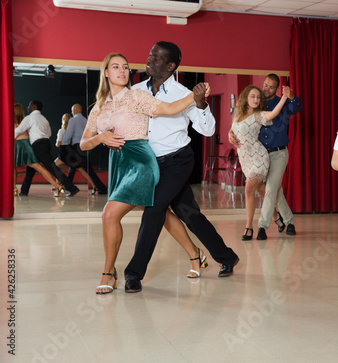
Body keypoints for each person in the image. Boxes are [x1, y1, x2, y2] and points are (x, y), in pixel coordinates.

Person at [123, 41, 239, 293]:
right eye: (150, 53)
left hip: (177, 161)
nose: (149, 58)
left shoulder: (182, 93)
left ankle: (133, 273)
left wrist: (199, 103)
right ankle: (227, 256)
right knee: (189, 214)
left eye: (156, 56)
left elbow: (207, 130)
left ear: (171, 65)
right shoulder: (137, 90)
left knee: (153, 211)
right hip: (150, 163)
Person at [79, 52, 197, 294]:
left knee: (109, 215)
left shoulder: (136, 97)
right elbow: (83, 143)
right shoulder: (99, 107)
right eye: (116, 67)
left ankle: (108, 272)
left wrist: (193, 97)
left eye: (125, 67)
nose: (122, 71)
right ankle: (195, 254)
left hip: (140, 162)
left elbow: (170, 108)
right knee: (159, 212)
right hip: (118, 165)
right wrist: (101, 137)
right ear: (106, 72)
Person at [229, 74, 303, 240]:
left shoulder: (281, 104)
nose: (266, 89)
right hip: (256, 155)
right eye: (265, 85)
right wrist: (230, 133)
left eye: (271, 87)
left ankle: (261, 227)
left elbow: (296, 107)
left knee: (269, 189)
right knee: (275, 191)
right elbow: (239, 124)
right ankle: (287, 221)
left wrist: (289, 96)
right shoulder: (256, 103)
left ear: (276, 89)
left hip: (277, 153)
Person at [14, 100, 80, 197]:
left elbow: (18, 131)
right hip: (46, 143)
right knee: (31, 168)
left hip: (38, 145)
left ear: (35, 106)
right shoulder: (44, 119)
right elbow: (49, 133)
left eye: (30, 105)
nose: (28, 107)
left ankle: (71, 188)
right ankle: (24, 190)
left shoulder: (29, 118)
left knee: (51, 168)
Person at [13, 103, 60, 197]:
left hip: (20, 145)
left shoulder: (16, 122)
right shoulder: (25, 120)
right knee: (39, 168)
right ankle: (56, 186)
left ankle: (14, 188)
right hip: (25, 145)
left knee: (15, 167)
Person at [62, 103, 108, 194]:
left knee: (85, 169)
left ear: (75, 109)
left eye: (72, 110)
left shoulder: (73, 120)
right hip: (87, 146)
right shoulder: (86, 120)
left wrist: (62, 143)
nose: (71, 112)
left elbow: (68, 134)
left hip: (77, 146)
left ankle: (102, 188)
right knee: (74, 166)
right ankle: (68, 186)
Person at [54, 112, 96, 193]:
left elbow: (58, 144)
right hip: (70, 150)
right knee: (81, 169)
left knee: (54, 167)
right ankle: (94, 186)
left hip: (63, 151)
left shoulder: (61, 130)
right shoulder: (71, 131)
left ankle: (58, 185)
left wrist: (56, 143)